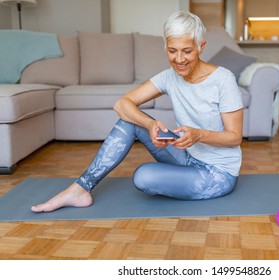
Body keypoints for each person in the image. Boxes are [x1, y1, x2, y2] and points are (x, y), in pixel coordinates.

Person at [31, 10, 243, 213]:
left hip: (218, 173)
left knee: (144, 177)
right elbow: (122, 104)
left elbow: (234, 137)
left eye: (187, 51)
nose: (179, 59)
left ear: (201, 46)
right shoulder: (169, 77)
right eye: (172, 50)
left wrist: (198, 135)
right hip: (187, 157)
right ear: (165, 47)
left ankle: (183, 178)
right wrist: (150, 125)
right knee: (129, 120)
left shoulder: (223, 80)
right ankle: (79, 189)